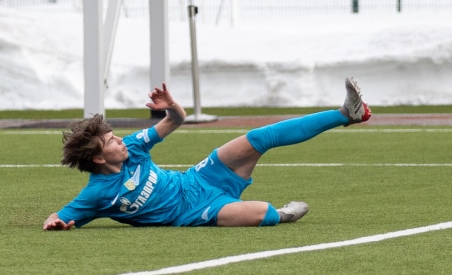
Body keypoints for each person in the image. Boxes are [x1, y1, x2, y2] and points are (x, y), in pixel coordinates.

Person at [43, 77, 371, 230]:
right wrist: (56, 223)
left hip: (199, 178)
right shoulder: (97, 194)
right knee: (263, 214)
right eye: (111, 142)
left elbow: (176, 121)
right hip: (196, 211)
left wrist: (170, 107)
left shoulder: (134, 147)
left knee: (257, 138)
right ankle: (282, 214)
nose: (120, 142)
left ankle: (346, 114)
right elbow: (59, 217)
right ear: (99, 159)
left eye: (115, 136)